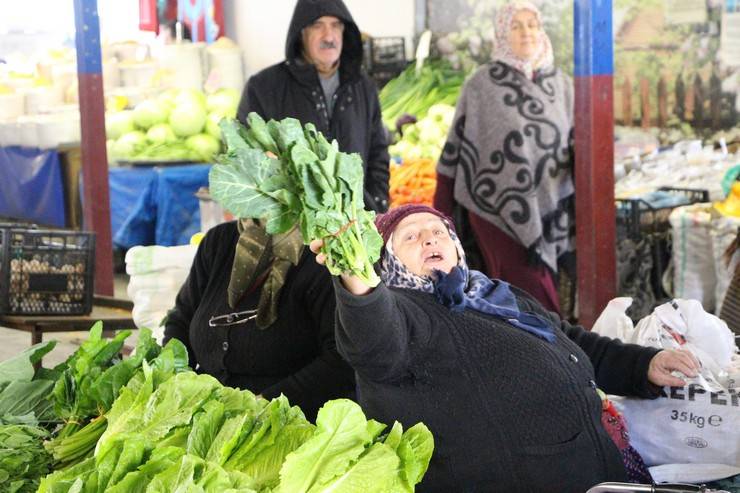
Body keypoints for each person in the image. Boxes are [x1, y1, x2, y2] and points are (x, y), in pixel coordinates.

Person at [309, 204, 700, 492]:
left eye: (438, 230)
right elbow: (374, 342)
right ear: (386, 262)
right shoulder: (407, 313)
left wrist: (642, 364)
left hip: (591, 472)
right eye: (410, 237)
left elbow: (565, 338)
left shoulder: (490, 292)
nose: (429, 237)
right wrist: (354, 273)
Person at [434, 1, 574, 314]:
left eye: (532, 24)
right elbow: (455, 151)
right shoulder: (483, 84)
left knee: (538, 297)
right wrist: (439, 220)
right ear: (501, 33)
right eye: (516, 25)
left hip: (550, 211)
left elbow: (575, 143)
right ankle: (548, 354)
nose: (527, 32)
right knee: (532, 300)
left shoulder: (561, 84)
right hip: (496, 209)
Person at [163, 219, 355, 421]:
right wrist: (177, 385)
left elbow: (343, 360)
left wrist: (263, 405)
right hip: (207, 414)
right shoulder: (218, 241)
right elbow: (181, 320)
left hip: (289, 422)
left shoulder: (322, 254)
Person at [236, 0, 390, 213]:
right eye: (318, 25)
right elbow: (244, 155)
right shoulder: (263, 88)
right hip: (289, 227)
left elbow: (378, 154)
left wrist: (377, 205)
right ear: (301, 33)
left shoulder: (363, 87)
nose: (329, 36)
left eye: (336, 25)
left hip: (353, 226)